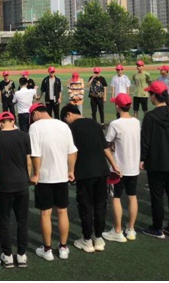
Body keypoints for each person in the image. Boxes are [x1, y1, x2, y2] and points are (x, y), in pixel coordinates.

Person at [60, 104, 121, 254]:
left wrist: (70, 170)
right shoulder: (94, 123)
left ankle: (87, 239)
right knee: (100, 205)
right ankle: (98, 238)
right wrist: (114, 165)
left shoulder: (71, 128)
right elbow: (105, 147)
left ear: (69, 114)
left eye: (65, 119)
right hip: (101, 170)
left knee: (85, 205)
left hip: (84, 172)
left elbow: (72, 152)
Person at [29, 103, 77, 261]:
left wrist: (36, 174)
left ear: (36, 113)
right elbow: (72, 152)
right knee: (62, 212)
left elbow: (35, 155)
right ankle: (63, 247)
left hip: (44, 178)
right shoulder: (63, 125)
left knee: (45, 213)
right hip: (61, 176)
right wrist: (71, 171)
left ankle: (47, 249)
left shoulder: (35, 127)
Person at [140, 81, 169, 239]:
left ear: (154, 96)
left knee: (157, 196)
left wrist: (142, 158)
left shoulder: (150, 116)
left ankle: (157, 227)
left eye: (150, 94)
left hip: (156, 161)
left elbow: (145, 141)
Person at [0, 111, 31, 269]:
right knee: (22, 220)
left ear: (0, 124)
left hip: (4, 185)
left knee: (4, 220)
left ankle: (7, 255)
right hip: (21, 183)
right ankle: (21, 254)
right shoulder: (24, 136)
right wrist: (27, 178)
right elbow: (29, 161)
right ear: (13, 121)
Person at [103, 93, 141, 243]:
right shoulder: (136, 122)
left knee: (116, 198)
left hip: (118, 168)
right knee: (132, 196)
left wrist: (113, 162)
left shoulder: (115, 124)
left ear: (117, 106)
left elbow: (106, 144)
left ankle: (117, 231)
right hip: (133, 167)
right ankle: (131, 229)